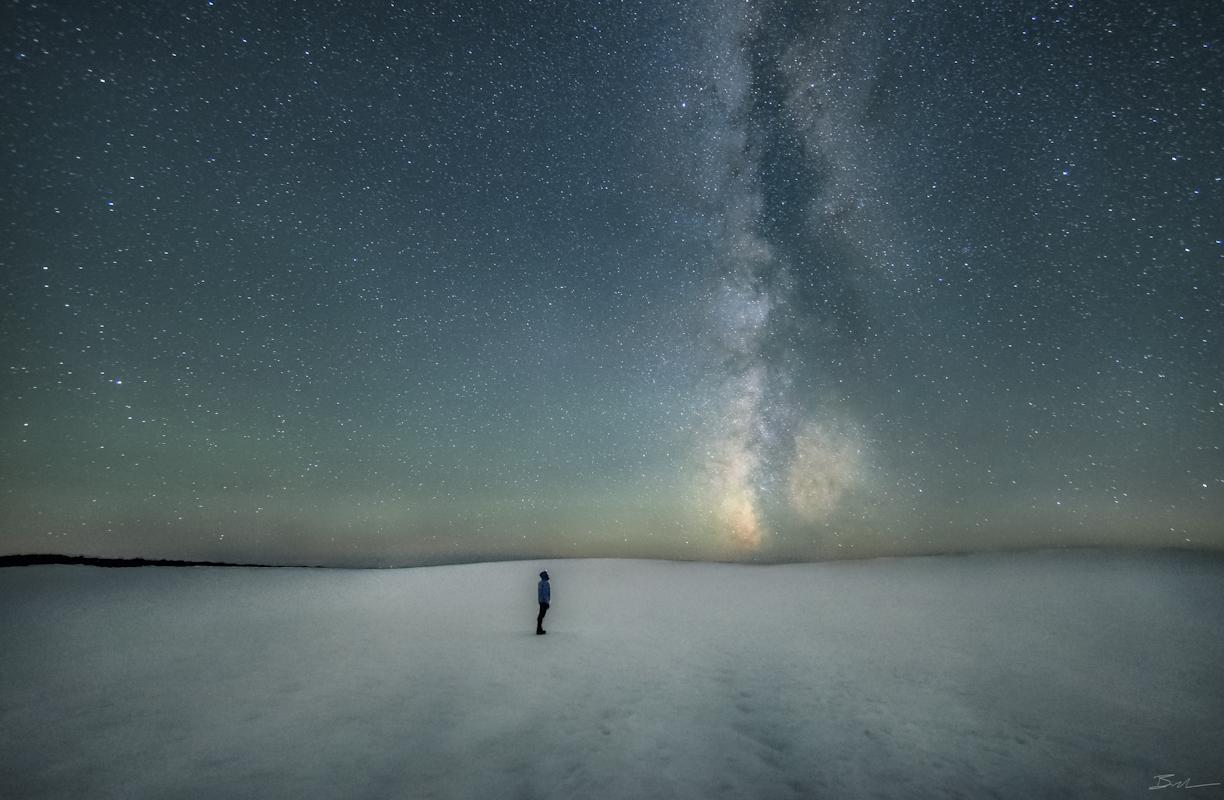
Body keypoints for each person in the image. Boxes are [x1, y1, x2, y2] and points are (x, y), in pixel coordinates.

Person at [536, 570, 550, 635]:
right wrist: (547, 602)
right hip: (544, 601)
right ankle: (539, 629)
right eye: (546, 574)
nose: (548, 575)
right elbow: (545, 594)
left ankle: (539, 628)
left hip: (541, 601)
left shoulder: (540, 583)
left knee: (541, 615)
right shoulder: (545, 583)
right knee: (541, 615)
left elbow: (540, 593)